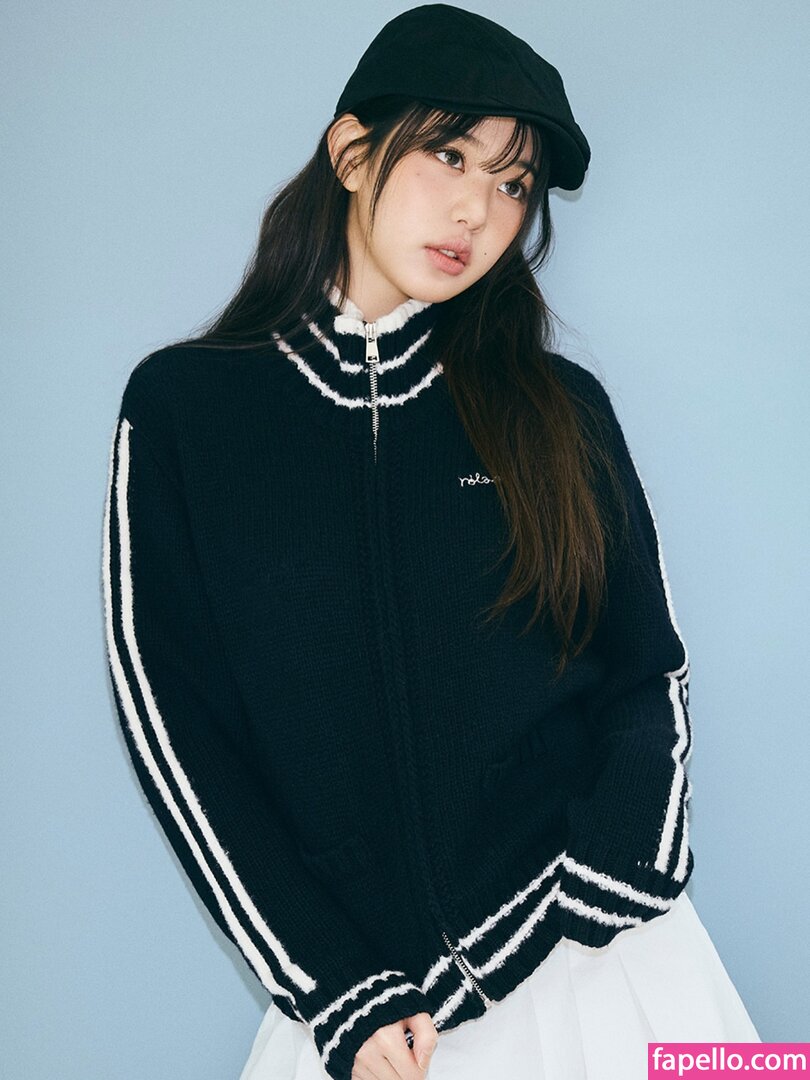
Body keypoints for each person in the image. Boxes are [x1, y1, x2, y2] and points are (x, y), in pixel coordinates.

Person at [102, 5, 761, 1079]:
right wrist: (330, 985)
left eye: (513, 183)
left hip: (595, 963)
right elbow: (177, 729)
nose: (476, 210)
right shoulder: (187, 411)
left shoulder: (560, 410)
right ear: (353, 153)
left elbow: (648, 669)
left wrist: (621, 861)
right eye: (449, 155)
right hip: (369, 1015)